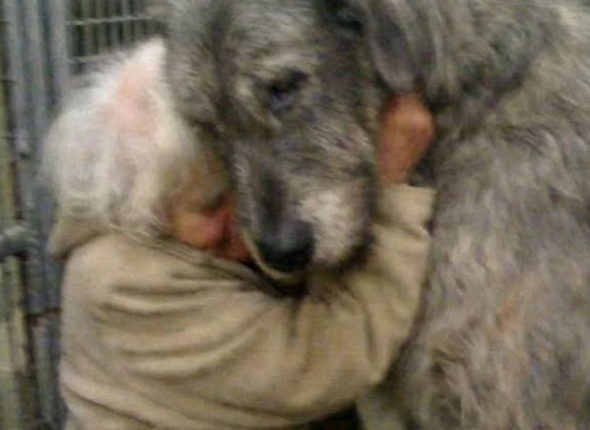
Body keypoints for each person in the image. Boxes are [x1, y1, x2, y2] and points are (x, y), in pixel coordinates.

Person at [43, 40, 436, 429]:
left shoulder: (171, 229)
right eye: (212, 205)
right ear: (144, 208)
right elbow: (325, 362)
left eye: (243, 186)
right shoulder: (122, 285)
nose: (249, 218)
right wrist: (390, 185)